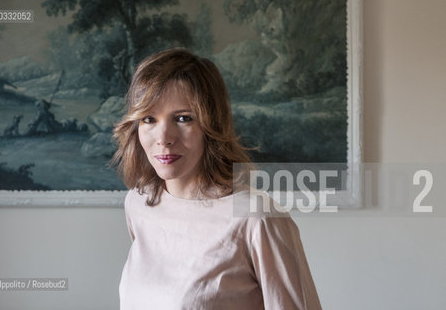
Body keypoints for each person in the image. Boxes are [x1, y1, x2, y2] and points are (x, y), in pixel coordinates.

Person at [113, 48, 322, 309]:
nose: (164, 137)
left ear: (211, 125)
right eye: (149, 119)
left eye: (183, 118)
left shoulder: (257, 218)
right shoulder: (139, 203)